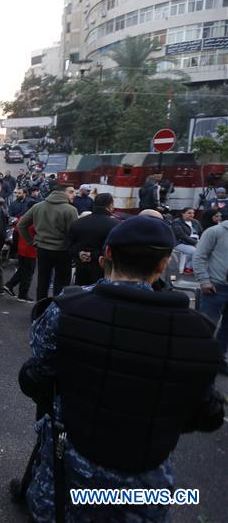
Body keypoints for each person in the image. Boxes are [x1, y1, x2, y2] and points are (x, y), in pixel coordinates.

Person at [20, 215, 224, 521]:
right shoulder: (198, 331)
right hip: (144, 475)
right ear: (163, 264)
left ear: (108, 256)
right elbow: (206, 412)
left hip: (70, 464)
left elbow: (36, 373)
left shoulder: (65, 310)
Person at [17, 183, 78, 301]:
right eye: (71, 192)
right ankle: (56, 310)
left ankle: (40, 309)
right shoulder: (70, 210)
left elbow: (21, 225)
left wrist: (31, 241)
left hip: (43, 249)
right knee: (61, 283)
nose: (74, 195)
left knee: (43, 281)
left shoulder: (38, 206)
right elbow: (73, 233)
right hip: (62, 251)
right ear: (62, 192)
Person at [193, 214, 228, 375]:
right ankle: (199, 361)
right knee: (207, 326)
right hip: (215, 286)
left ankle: (218, 359)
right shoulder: (215, 231)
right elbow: (199, 256)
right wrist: (204, 280)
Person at [66, 193, 120, 286]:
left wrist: (79, 253)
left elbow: (68, 245)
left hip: (81, 267)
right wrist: (94, 254)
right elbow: (116, 249)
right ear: (110, 205)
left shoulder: (78, 223)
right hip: (103, 269)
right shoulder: (116, 225)